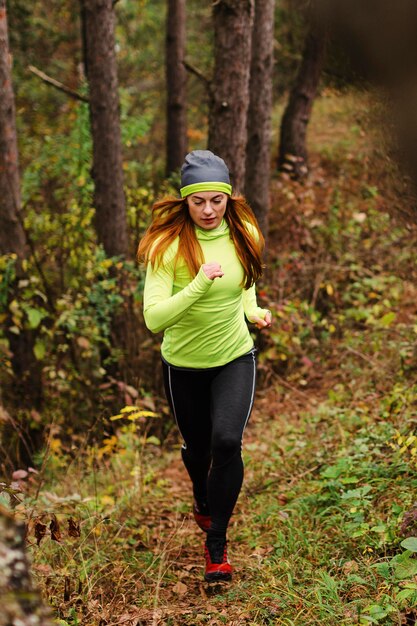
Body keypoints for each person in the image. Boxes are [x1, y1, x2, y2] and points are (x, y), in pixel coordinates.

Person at [138, 150, 271, 582]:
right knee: (197, 451)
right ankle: (200, 496)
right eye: (199, 202)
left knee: (227, 442)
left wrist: (252, 312)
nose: (209, 210)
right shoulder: (167, 246)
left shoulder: (244, 231)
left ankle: (217, 547)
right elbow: (154, 318)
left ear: (229, 199)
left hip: (234, 355)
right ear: (185, 201)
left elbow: (246, 282)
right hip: (183, 365)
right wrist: (199, 282)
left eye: (218, 200)